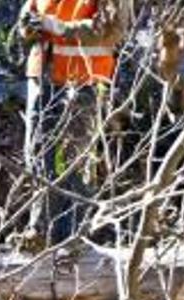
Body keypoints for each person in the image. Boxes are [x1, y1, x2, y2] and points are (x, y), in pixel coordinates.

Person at [19, 0, 130, 244]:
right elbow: (27, 17)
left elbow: (111, 29)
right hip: (42, 78)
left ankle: (72, 238)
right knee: (38, 156)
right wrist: (27, 25)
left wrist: (54, 26)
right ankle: (39, 231)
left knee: (76, 162)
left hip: (84, 80)